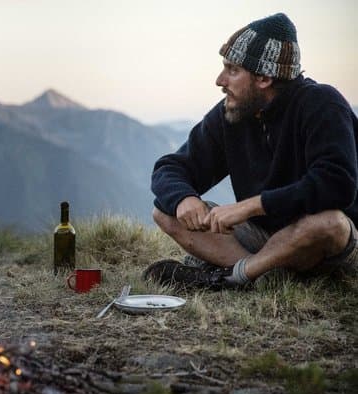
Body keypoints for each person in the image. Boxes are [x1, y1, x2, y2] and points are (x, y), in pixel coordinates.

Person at [144, 13, 358, 290]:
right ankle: (258, 276)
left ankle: (232, 276)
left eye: (232, 70)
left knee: (329, 223)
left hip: (326, 242)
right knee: (165, 210)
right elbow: (170, 168)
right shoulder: (231, 114)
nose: (220, 80)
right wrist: (184, 198)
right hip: (264, 237)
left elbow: (337, 185)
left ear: (264, 78)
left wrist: (250, 206)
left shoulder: (322, 104)